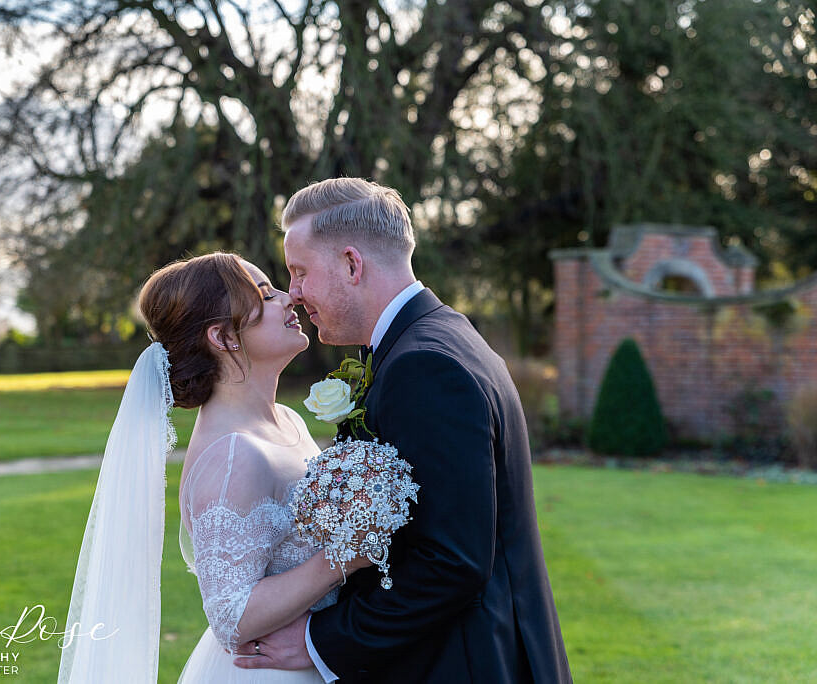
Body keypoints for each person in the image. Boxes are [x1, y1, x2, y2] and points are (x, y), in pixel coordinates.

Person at [233, 178, 572, 682]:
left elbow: (449, 562)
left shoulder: (424, 366)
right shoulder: (436, 338)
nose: (296, 294)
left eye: (300, 272)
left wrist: (318, 639)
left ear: (351, 264)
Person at [57, 252, 368, 684]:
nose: (290, 298)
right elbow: (232, 615)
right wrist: (346, 558)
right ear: (223, 336)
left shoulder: (287, 418)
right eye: (265, 294)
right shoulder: (231, 457)